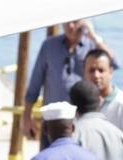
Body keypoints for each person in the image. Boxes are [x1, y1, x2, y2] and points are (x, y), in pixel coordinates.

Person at [23, 19, 114, 149]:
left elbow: (114, 64)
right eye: (67, 22)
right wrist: (27, 118)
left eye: (75, 22)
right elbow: (35, 83)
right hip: (52, 123)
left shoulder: (92, 45)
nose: (71, 26)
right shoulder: (49, 46)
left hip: (81, 124)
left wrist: (94, 36)